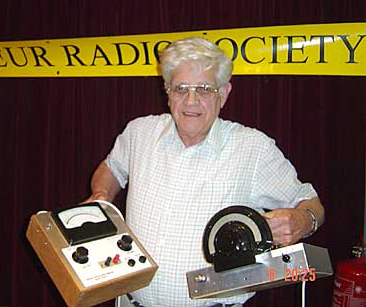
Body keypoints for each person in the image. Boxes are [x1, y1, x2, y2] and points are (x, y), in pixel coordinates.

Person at [84, 37, 324, 307]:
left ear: (224, 93)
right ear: (167, 91)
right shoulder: (139, 133)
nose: (191, 100)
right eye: (181, 88)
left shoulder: (253, 149)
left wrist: (304, 220)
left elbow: (310, 202)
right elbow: (111, 168)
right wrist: (102, 193)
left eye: (204, 89)